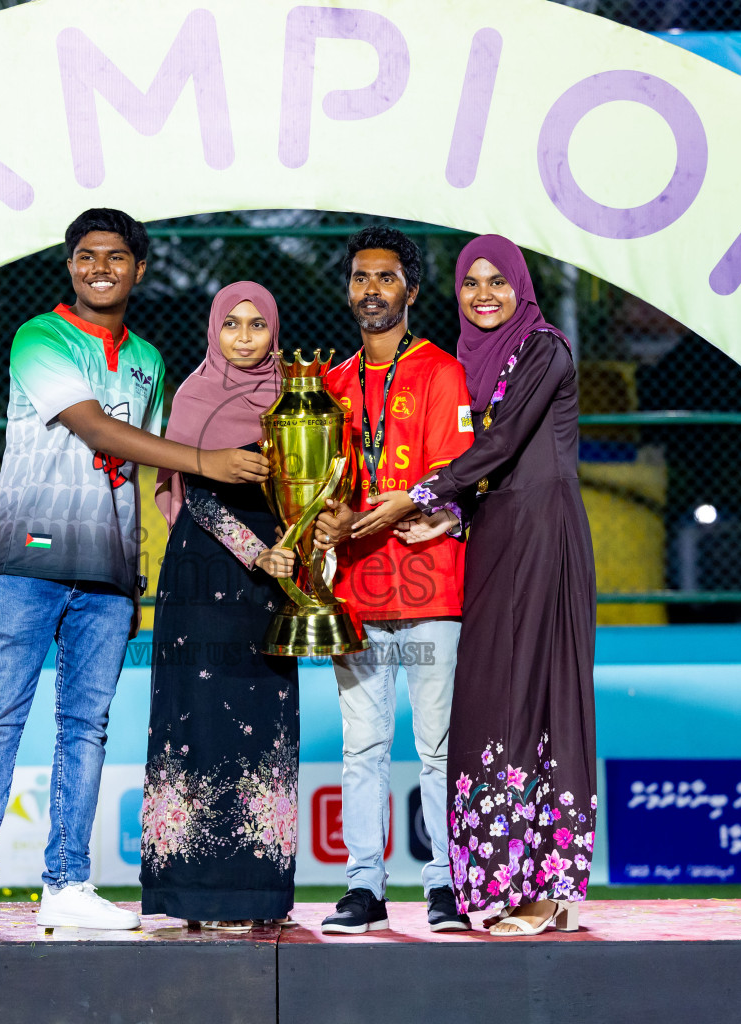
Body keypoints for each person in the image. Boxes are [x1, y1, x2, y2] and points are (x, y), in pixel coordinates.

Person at [0, 209, 270, 934]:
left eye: (115, 256)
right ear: (70, 265)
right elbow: (99, 429)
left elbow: (135, 469)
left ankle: (68, 883)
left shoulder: (148, 359)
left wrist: (142, 561)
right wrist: (207, 463)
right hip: (28, 559)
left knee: (86, 727)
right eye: (85, 255)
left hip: (109, 572)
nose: (100, 266)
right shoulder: (39, 337)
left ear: (139, 269)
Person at [352, 234, 598, 936]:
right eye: (471, 282)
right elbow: (485, 468)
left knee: (539, 696)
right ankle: (507, 876)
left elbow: (499, 444)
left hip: (542, 535)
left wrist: (416, 496)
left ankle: (547, 888)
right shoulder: (471, 361)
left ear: (521, 285)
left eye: (498, 280)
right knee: (492, 704)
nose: (484, 293)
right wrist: (454, 513)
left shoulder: (545, 348)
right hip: (493, 534)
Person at [311, 227, 475, 934]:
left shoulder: (442, 372)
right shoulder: (330, 384)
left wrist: (368, 515)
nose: (370, 290)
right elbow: (317, 484)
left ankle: (445, 884)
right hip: (356, 589)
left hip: (432, 583)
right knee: (363, 746)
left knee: (437, 744)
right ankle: (364, 889)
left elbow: (449, 479)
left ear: (410, 289)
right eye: (359, 278)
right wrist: (321, 519)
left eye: (385, 278)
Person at [140, 282, 302, 930]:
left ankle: (259, 897)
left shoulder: (295, 398)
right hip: (203, 578)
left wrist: (294, 551)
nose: (242, 336)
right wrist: (257, 551)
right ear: (214, 329)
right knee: (197, 726)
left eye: (256, 324)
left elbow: (309, 491)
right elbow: (197, 497)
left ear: (274, 330)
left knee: (266, 726)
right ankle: (194, 896)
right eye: (230, 324)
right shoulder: (194, 394)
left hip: (271, 580)